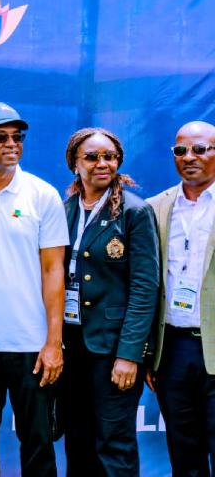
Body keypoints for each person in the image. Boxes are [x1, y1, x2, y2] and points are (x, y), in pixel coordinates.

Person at [0, 102, 68, 477]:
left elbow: (55, 272)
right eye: (0, 137)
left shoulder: (42, 194)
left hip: (31, 346)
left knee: (38, 444)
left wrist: (53, 343)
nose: (12, 144)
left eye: (17, 137)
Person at [60, 128, 159, 476]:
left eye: (110, 157)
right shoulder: (66, 208)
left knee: (113, 445)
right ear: (75, 163)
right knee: (77, 439)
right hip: (71, 347)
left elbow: (146, 287)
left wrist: (130, 355)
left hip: (112, 348)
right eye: (92, 157)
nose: (102, 164)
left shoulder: (134, 211)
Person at [146, 120, 215, 475]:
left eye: (200, 149)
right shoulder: (154, 207)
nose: (190, 157)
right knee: (184, 453)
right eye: (181, 150)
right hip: (172, 349)